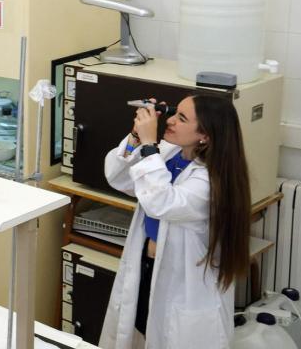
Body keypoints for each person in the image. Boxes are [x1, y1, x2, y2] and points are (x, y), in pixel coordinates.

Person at [100, 95, 251, 349]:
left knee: (171, 336)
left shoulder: (210, 181)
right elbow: (119, 177)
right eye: (173, 112)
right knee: (137, 333)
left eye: (181, 118)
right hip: (146, 268)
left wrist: (150, 144)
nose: (169, 120)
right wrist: (137, 137)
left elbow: (161, 202)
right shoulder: (170, 154)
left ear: (206, 136)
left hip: (182, 283)